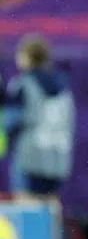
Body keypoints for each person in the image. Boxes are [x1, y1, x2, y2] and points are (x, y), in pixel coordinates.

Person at [2, 34, 75, 203]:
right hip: (58, 158)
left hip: (29, 158)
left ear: (26, 57)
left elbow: (12, 120)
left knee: (26, 209)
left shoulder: (23, 84)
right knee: (51, 209)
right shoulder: (64, 88)